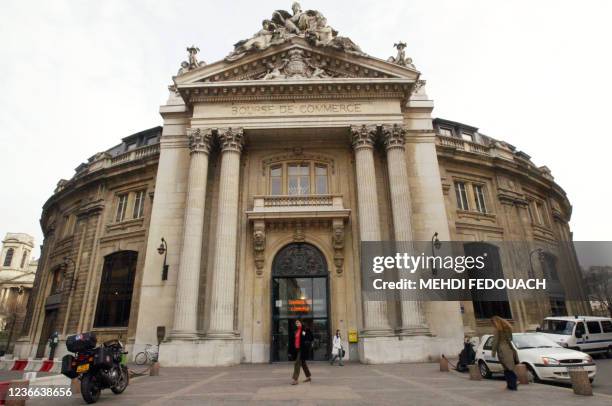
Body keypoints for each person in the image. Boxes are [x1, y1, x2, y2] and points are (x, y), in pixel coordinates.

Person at [491, 316, 519, 390]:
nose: (492, 325)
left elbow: (495, 341)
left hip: (501, 349)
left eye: (493, 323)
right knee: (508, 367)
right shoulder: (508, 328)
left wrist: (493, 352)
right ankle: (510, 385)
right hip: (508, 348)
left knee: (507, 368)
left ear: (495, 322)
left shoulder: (497, 330)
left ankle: (513, 384)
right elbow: (510, 339)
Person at [291, 320, 312, 385]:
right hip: (297, 349)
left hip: (302, 349)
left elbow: (310, 337)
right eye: (296, 323)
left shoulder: (305, 330)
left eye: (298, 322)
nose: (297, 323)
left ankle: (295, 379)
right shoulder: (296, 331)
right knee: (303, 363)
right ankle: (308, 377)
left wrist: (306, 344)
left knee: (297, 363)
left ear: (301, 323)